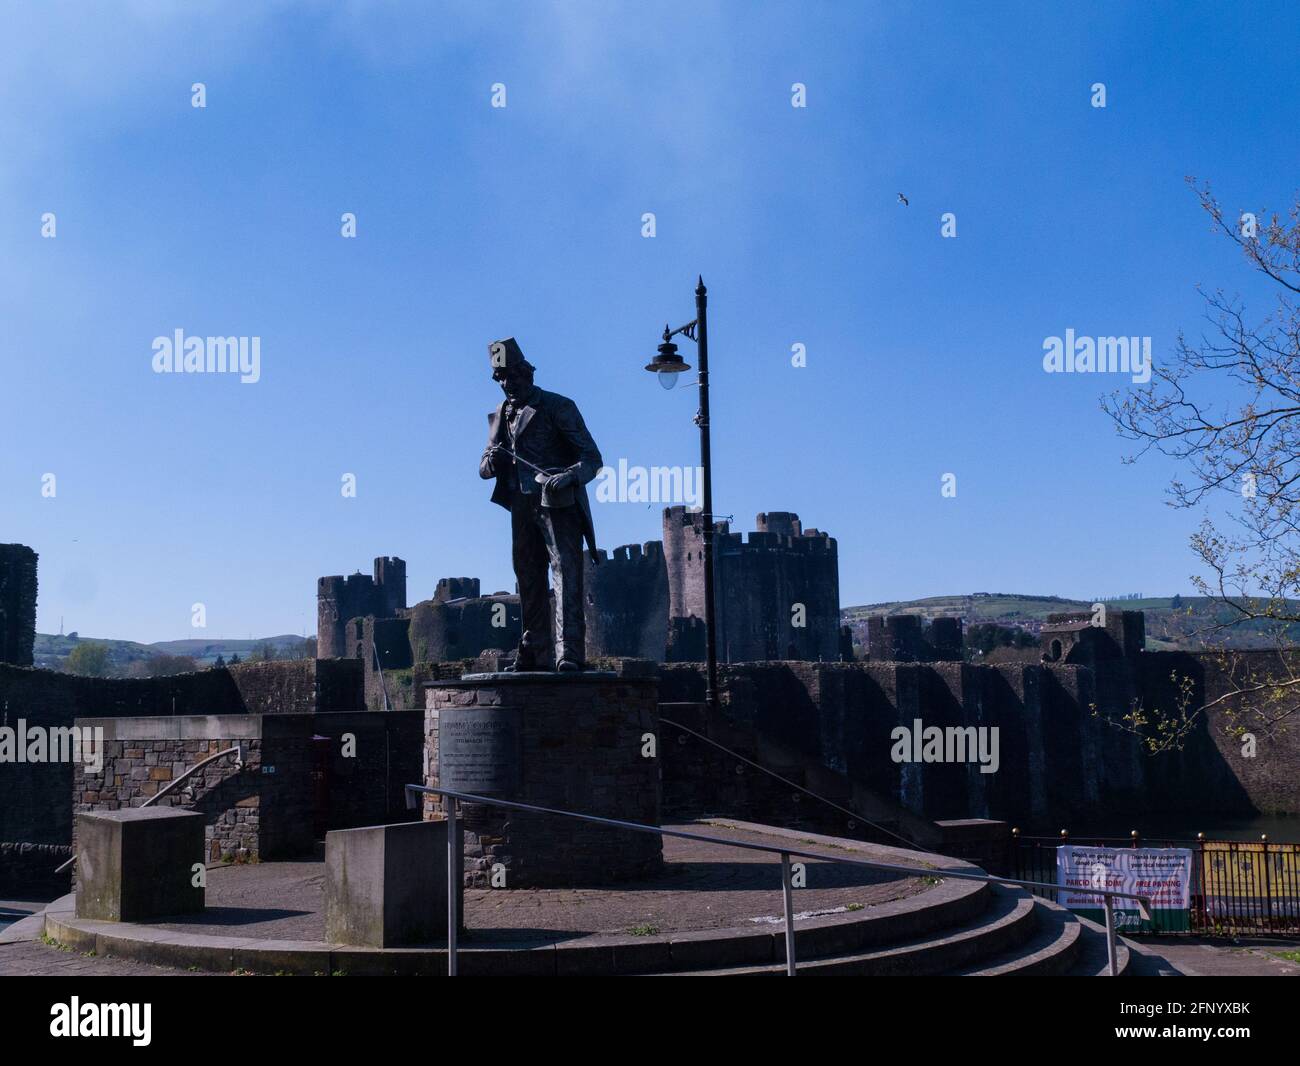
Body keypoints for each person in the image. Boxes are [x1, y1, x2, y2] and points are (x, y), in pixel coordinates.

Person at [479, 337, 601, 671]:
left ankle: (569, 654)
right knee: (528, 577)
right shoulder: (501, 414)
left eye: (512, 377)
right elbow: (483, 467)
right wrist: (491, 461)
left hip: (557, 506)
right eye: (501, 379)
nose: (507, 385)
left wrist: (570, 476)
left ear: (527, 373)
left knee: (565, 576)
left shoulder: (558, 406)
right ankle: (535, 651)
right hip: (521, 506)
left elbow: (592, 458)